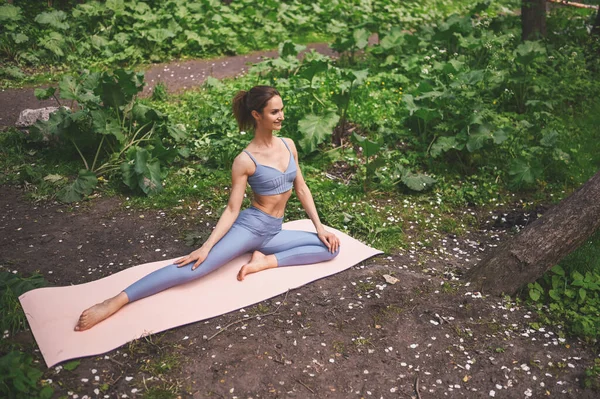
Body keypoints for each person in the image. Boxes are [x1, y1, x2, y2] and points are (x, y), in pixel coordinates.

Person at [75, 86, 340, 331]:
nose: (281, 116)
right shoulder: (245, 160)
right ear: (257, 115)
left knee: (328, 248)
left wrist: (320, 228)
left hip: (274, 231)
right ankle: (117, 300)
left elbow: (302, 188)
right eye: (274, 112)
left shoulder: (288, 145)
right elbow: (232, 209)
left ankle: (263, 262)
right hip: (250, 228)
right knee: (196, 268)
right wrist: (206, 246)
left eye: (282, 110)